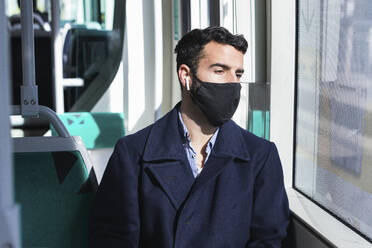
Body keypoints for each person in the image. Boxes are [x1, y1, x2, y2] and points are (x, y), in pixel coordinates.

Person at [89, 26, 289, 247]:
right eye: (220, 71)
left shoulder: (260, 156)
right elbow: (113, 239)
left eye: (238, 73)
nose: (233, 83)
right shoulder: (133, 153)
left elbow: (269, 239)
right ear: (186, 76)